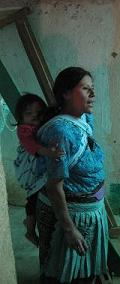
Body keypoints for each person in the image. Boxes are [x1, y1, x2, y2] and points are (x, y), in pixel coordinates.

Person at [36, 67, 109, 284]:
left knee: (83, 272)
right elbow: (54, 186)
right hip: (71, 218)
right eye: (86, 89)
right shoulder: (61, 132)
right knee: (61, 274)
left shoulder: (85, 119)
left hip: (91, 213)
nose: (93, 95)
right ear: (66, 93)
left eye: (92, 89)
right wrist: (69, 230)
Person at [14, 93, 63, 247]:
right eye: (29, 114)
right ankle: (29, 231)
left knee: (36, 201)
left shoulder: (40, 126)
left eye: (38, 113)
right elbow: (33, 147)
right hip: (29, 168)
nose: (34, 117)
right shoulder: (24, 130)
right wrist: (49, 152)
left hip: (38, 166)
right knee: (33, 201)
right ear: (21, 117)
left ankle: (30, 223)